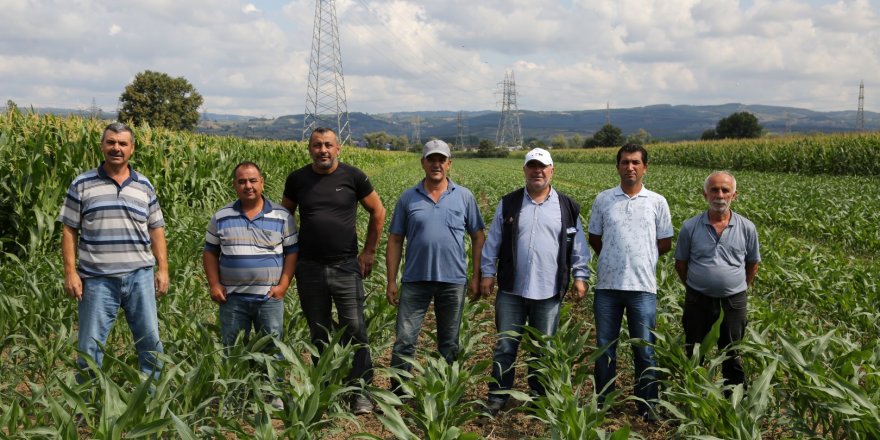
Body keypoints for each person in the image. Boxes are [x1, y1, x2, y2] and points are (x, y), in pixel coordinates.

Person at [282, 127, 386, 415]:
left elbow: (378, 211)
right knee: (319, 330)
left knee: (355, 329)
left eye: (328, 145)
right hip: (309, 268)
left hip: (345, 266)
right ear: (309, 149)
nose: (323, 150)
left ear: (338, 148)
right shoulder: (297, 179)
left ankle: (360, 392)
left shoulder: (353, 176)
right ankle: (325, 388)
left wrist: (369, 251)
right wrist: (287, 256)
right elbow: (284, 216)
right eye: (317, 145)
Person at [480, 148, 590, 416]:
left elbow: (578, 245)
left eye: (542, 166)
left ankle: (539, 396)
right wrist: (487, 273)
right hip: (511, 289)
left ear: (552, 170)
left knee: (543, 348)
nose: (537, 171)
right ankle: (498, 395)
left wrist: (580, 275)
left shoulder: (567, 206)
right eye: (532, 166)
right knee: (506, 344)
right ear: (524, 170)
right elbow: (493, 240)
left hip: (549, 290)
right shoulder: (509, 203)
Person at [59, 122, 168, 381]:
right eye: (111, 142)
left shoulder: (144, 185)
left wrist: (163, 269)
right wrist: (70, 273)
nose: (116, 148)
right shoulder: (82, 183)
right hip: (96, 278)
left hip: (140, 275)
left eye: (122, 144)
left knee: (150, 342)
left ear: (132, 148)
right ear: (102, 146)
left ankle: (151, 399)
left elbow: (156, 229)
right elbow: (69, 230)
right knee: (89, 348)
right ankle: (87, 404)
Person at [385, 140, 485, 391]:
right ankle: (398, 392)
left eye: (442, 159)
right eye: (431, 159)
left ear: (449, 163)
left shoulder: (464, 196)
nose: (436, 164)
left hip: (453, 281)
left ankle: (445, 392)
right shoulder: (408, 197)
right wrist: (391, 280)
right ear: (423, 163)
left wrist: (476, 275)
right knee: (405, 340)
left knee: (449, 341)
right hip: (415, 280)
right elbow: (395, 239)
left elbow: (478, 236)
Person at [203, 161, 298, 410]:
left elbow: (291, 253)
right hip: (233, 298)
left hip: (269, 297)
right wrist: (214, 283)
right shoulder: (221, 217)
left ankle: (273, 394)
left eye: (253, 181)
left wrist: (283, 285)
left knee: (273, 346)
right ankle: (234, 395)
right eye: (242, 181)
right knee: (232, 347)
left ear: (262, 183)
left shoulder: (281, 216)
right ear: (234, 185)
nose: (248, 186)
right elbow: (210, 252)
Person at [588, 143, 673, 421]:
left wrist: (640, 260)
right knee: (604, 350)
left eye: (636, 162)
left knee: (645, 350)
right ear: (617, 166)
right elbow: (595, 239)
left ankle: (647, 405)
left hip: (643, 289)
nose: (630, 167)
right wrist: (616, 258)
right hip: (607, 289)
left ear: (645, 167)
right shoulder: (603, 199)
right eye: (625, 162)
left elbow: (664, 243)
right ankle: (603, 403)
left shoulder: (657, 202)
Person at [674, 171, 760, 388]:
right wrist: (696, 287)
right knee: (694, 352)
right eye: (714, 190)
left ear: (734, 195)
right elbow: (681, 264)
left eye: (725, 190)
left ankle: (734, 402)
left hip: (733, 302)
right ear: (705, 195)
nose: (719, 195)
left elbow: (752, 263)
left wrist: (739, 286)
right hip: (698, 301)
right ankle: (693, 398)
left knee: (732, 353)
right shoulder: (690, 227)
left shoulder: (747, 228)